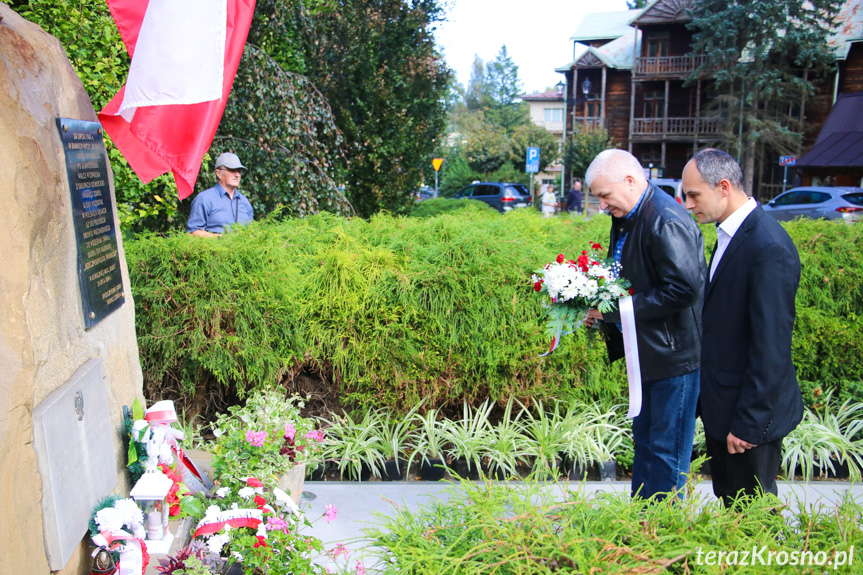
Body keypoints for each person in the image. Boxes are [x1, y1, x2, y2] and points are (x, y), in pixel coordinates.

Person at [682, 148, 802, 508]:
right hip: (725, 407)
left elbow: (772, 346)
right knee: (733, 505)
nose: (687, 205)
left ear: (723, 187)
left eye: (693, 195)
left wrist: (749, 422)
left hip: (747, 418)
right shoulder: (730, 234)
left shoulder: (768, 246)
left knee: (753, 515)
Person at [584, 149, 705, 500]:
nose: (602, 206)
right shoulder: (631, 216)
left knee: (666, 453)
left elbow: (683, 290)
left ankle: (665, 538)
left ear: (631, 181)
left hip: (673, 358)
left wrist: (614, 311)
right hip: (650, 352)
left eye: (604, 196)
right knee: (647, 446)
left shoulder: (665, 219)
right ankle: (643, 529)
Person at [186, 152, 254, 237]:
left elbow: (251, 233)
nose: (237, 175)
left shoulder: (245, 202)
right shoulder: (204, 199)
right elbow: (192, 232)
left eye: (239, 171)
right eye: (232, 170)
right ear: (218, 173)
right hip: (213, 249)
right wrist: (219, 238)